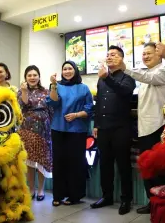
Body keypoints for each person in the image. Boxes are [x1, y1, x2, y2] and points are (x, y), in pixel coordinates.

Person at [121, 42, 165, 214]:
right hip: (143, 129)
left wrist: (125, 68)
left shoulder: (164, 71)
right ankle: (153, 202)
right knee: (147, 168)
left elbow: (149, 78)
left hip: (158, 127)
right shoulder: (144, 75)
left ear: (159, 54)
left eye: (149, 53)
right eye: (143, 54)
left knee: (160, 169)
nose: (145, 56)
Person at [90, 45, 136, 215]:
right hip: (103, 128)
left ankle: (126, 200)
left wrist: (107, 78)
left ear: (122, 58)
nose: (109, 57)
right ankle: (106, 196)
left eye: (114, 55)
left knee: (123, 165)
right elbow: (99, 102)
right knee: (105, 164)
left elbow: (125, 92)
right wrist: (96, 124)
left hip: (121, 128)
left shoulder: (128, 76)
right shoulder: (101, 79)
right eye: (108, 55)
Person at [46, 61, 93, 207]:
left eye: (70, 68)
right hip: (58, 128)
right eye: (64, 69)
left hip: (77, 130)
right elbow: (52, 103)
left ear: (75, 70)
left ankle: (74, 196)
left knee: (75, 163)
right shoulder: (56, 86)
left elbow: (90, 109)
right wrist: (53, 85)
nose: (67, 71)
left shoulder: (84, 88)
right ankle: (58, 195)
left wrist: (76, 115)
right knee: (59, 162)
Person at [18, 65, 53, 202]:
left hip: (44, 130)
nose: (32, 77)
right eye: (29, 75)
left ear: (39, 77)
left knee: (41, 160)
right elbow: (24, 105)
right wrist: (24, 91)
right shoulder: (21, 91)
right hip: (26, 129)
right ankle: (31, 189)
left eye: (35, 75)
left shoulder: (46, 91)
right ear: (26, 78)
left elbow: (51, 110)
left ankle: (41, 190)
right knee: (29, 161)